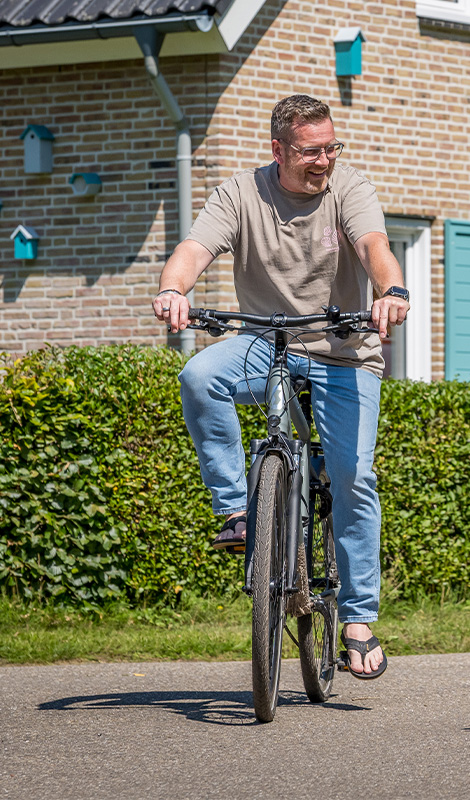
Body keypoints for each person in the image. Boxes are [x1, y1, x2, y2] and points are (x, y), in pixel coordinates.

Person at [150, 94, 410, 679]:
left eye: (330, 148)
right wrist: (175, 289)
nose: (324, 161)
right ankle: (239, 511)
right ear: (278, 150)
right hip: (266, 342)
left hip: (343, 353)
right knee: (199, 376)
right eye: (310, 152)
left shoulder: (350, 188)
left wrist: (390, 292)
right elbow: (195, 249)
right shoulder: (241, 194)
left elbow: (375, 247)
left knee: (354, 477)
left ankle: (358, 619)